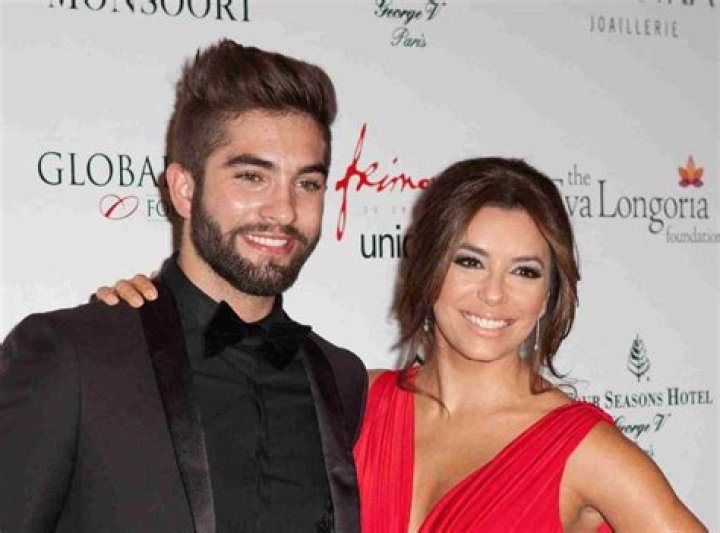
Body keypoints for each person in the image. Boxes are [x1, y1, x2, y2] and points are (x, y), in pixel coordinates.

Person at [101, 158, 707, 532]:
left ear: (550, 294)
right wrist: (150, 316)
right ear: (426, 265)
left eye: (525, 272)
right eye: (469, 261)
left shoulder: (584, 452)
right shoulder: (351, 401)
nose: (494, 294)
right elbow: (201, 401)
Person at [0, 39, 366, 533]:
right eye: (252, 177)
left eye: (307, 183)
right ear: (184, 189)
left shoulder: (341, 377)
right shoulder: (73, 357)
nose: (284, 210)